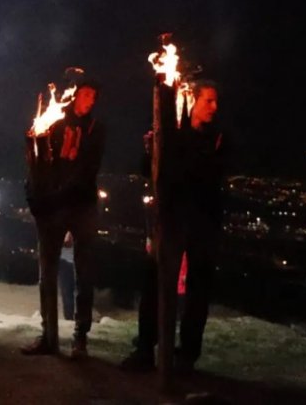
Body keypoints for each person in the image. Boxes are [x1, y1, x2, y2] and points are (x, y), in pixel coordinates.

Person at [122, 80, 227, 374]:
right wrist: (152, 150)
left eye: (216, 101)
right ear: (192, 101)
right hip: (172, 219)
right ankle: (145, 349)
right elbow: (151, 172)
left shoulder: (218, 138)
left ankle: (186, 356)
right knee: (155, 282)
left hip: (204, 223)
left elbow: (205, 175)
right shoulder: (173, 133)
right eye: (209, 101)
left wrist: (172, 154)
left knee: (197, 292)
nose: (214, 107)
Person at [23, 77, 105, 358]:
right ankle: (48, 334)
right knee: (47, 272)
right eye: (86, 93)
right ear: (74, 95)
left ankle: (80, 337)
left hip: (81, 207)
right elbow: (41, 163)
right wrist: (39, 196)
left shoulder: (96, 128)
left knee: (85, 273)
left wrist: (62, 195)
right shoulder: (54, 121)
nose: (91, 100)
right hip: (52, 209)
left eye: (94, 95)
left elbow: (87, 169)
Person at [60, 232, 77, 322]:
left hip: (71, 262)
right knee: (67, 292)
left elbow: (68, 242)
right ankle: (69, 318)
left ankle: (71, 318)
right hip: (66, 261)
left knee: (69, 292)